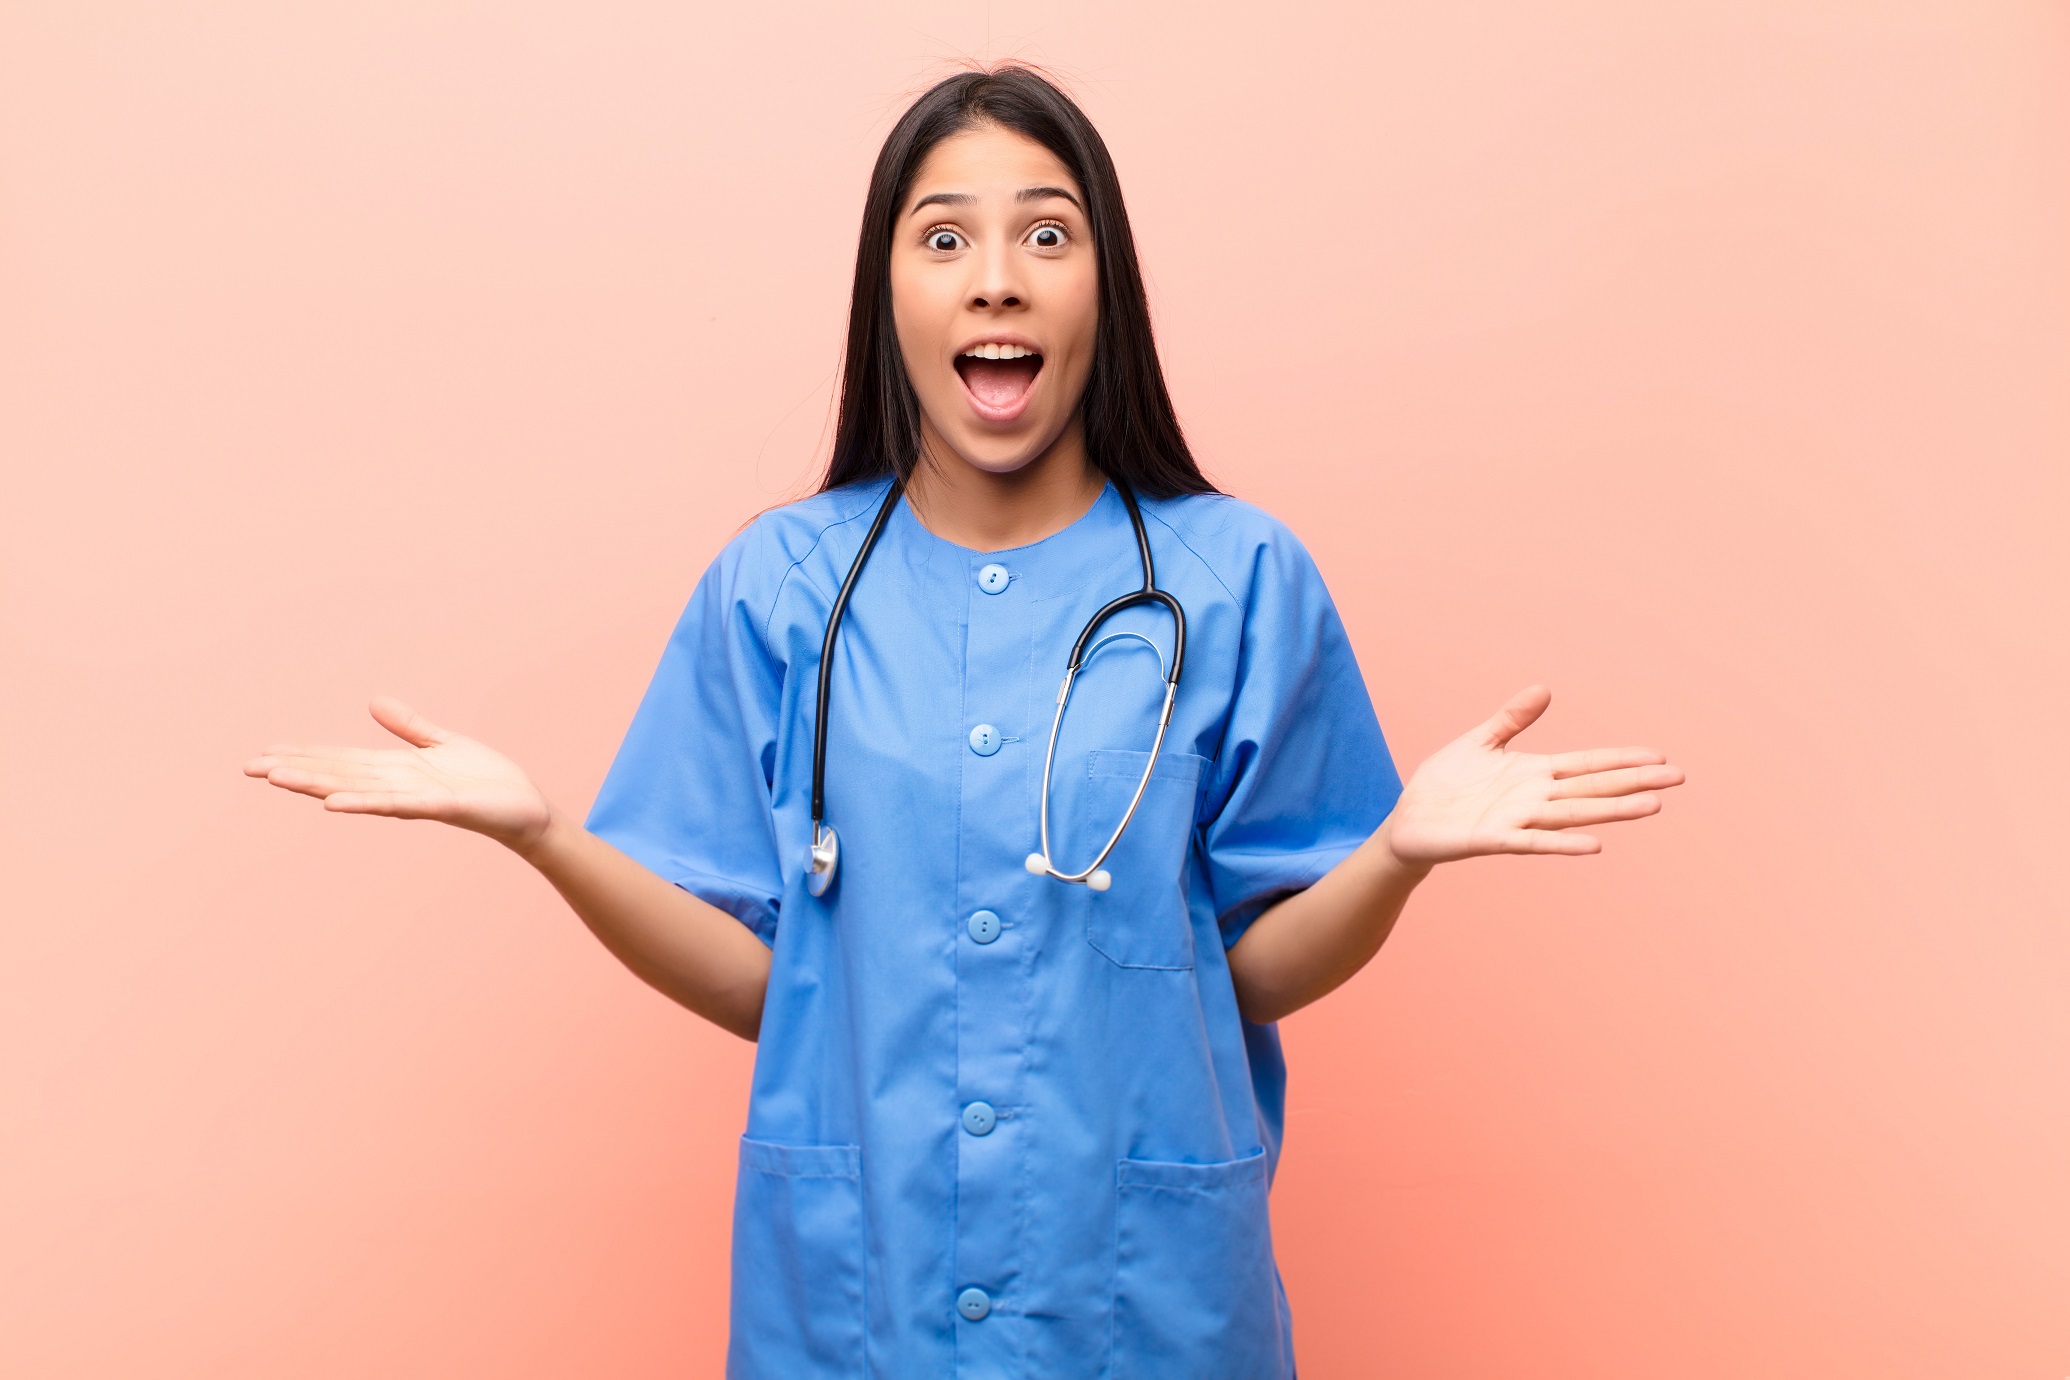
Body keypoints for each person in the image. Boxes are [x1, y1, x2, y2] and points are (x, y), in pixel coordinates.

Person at [247, 65, 1683, 1379]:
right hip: (853, 1306)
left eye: (1045, 237)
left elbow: (1244, 973)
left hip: (1145, 1304)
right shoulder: (781, 585)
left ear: (1103, 288)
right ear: (885, 293)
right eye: (944, 241)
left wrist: (1397, 858)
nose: (996, 282)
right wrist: (544, 836)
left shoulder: (1235, 577)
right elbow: (784, 988)